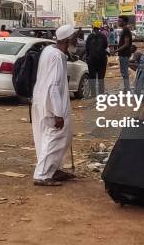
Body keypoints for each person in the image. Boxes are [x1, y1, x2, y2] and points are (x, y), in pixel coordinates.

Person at [31, 24, 77, 186]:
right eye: (75, 38)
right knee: (55, 137)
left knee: (48, 137)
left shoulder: (49, 50)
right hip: (52, 104)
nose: (77, 41)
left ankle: (53, 169)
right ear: (67, 40)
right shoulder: (56, 56)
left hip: (41, 100)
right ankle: (43, 174)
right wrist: (58, 113)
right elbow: (53, 86)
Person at [85, 20, 109, 96]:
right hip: (101, 59)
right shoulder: (103, 36)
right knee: (101, 77)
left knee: (92, 77)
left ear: (93, 28)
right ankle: (101, 93)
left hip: (91, 60)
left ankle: (93, 94)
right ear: (99, 28)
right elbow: (105, 46)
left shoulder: (90, 37)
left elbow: (87, 48)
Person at [113, 15, 134, 92]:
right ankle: (126, 88)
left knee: (124, 72)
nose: (118, 22)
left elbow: (126, 44)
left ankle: (127, 89)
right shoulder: (124, 30)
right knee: (123, 72)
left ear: (124, 22)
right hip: (123, 54)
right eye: (118, 21)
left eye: (120, 21)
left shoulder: (126, 30)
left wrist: (115, 50)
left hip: (124, 54)